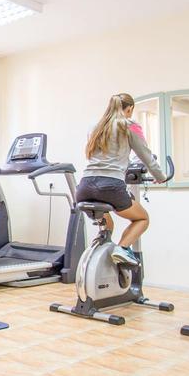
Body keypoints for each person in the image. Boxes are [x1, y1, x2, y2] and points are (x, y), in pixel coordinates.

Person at [76, 93, 167, 266]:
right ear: (129, 108)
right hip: (110, 187)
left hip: (84, 187)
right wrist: (161, 177)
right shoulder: (129, 125)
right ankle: (123, 248)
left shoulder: (95, 126)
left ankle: (102, 252)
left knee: (106, 225)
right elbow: (145, 156)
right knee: (142, 218)